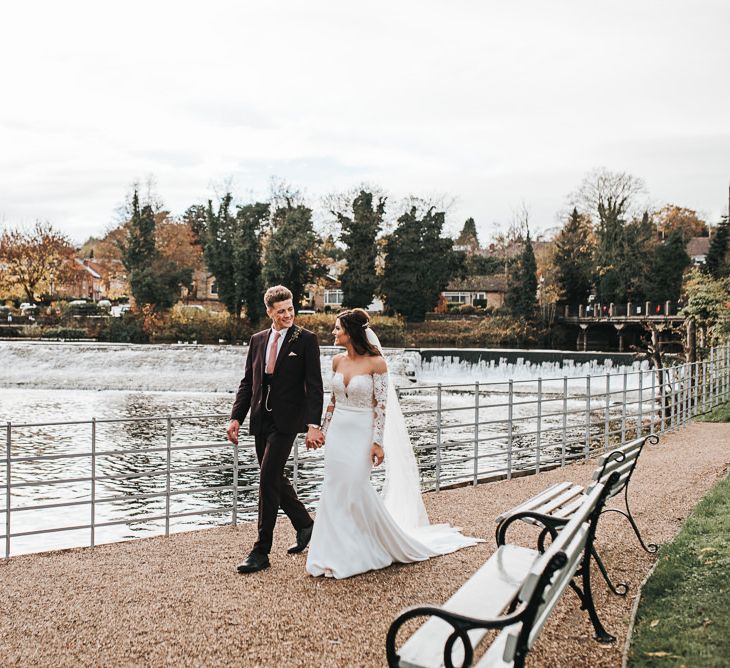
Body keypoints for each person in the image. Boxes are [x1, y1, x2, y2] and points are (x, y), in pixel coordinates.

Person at [306, 308, 481, 579]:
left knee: (355, 487)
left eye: (337, 328)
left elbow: (382, 406)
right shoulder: (337, 362)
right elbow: (333, 401)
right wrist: (322, 431)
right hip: (339, 431)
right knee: (334, 488)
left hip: (362, 431)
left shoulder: (377, 364)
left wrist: (377, 443)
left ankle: (365, 548)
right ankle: (331, 553)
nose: (333, 332)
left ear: (351, 333)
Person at [227, 285, 324, 574]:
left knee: (267, 477)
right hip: (260, 419)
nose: (287, 315)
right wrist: (236, 417)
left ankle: (261, 551)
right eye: (280, 311)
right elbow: (248, 382)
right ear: (269, 312)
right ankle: (306, 525)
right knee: (274, 478)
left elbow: (315, 385)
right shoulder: (257, 340)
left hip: (287, 421)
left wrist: (312, 424)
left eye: (290, 309)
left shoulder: (306, 340)